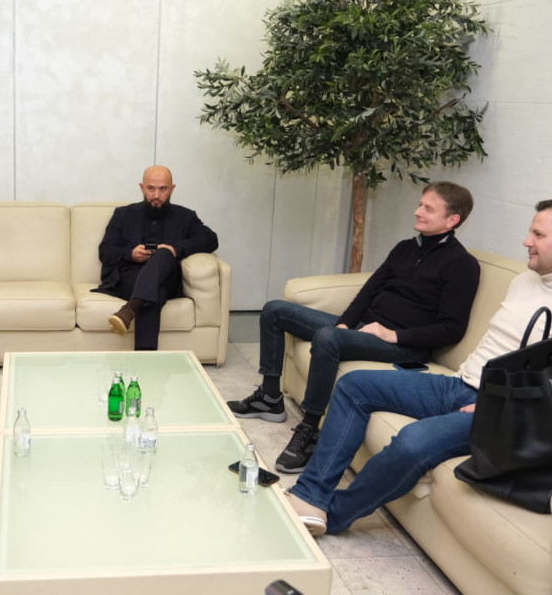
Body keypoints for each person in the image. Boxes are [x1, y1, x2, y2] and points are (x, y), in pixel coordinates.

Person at [285, 200, 552, 536]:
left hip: (500, 414)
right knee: (354, 386)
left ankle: (332, 515)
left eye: (538, 235)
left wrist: (497, 404)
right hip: (458, 385)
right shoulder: (524, 281)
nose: (526, 241)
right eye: (530, 232)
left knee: (412, 441)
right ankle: (310, 495)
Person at [227, 182, 480, 474]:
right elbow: (368, 293)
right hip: (363, 328)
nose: (417, 211)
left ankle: (310, 430)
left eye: (428, 208)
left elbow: (451, 328)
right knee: (275, 310)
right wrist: (346, 325)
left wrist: (392, 335)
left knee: (328, 337)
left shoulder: (462, 265)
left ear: (452, 220)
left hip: (403, 346)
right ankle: (270, 398)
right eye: (420, 204)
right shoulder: (406, 248)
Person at [94, 165, 219, 350]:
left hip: (168, 278)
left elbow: (211, 239)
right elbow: (105, 251)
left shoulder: (185, 216)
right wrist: (131, 254)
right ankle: (146, 360)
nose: (156, 195)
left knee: (164, 253)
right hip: (130, 277)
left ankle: (130, 308)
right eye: (151, 188)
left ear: (172, 189)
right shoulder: (123, 214)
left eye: (163, 189)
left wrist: (175, 250)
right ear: (142, 187)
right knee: (155, 293)